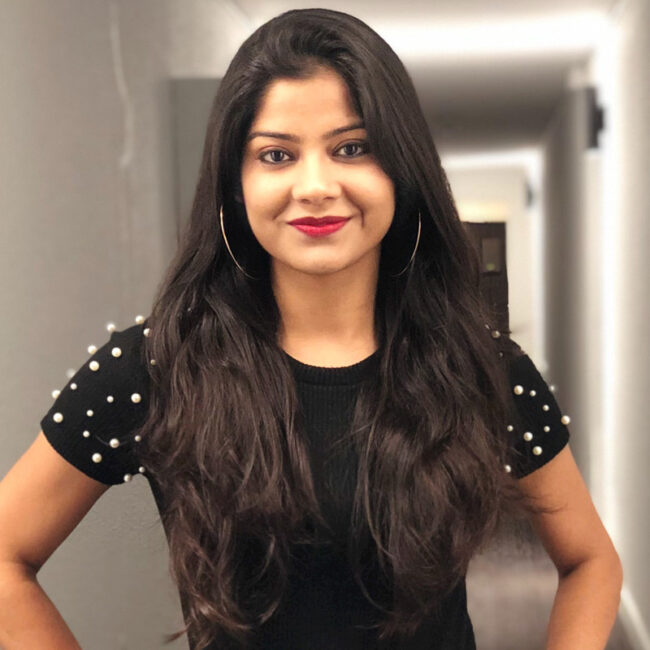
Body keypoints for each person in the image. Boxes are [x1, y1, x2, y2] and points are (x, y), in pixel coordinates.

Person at [0, 8, 622, 650]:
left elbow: (591, 561)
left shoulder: (478, 365)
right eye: (277, 155)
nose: (316, 186)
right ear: (235, 184)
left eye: (352, 148)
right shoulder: (159, 365)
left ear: (402, 170)